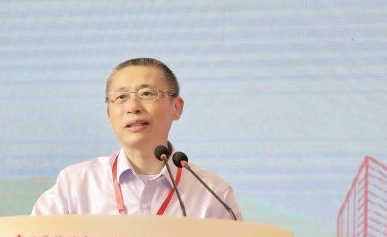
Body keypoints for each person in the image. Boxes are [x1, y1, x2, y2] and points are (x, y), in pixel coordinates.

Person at [31, 57, 242, 220]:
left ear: (176, 108)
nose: (133, 107)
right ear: (109, 116)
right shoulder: (76, 185)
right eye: (121, 97)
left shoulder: (213, 194)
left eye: (147, 94)